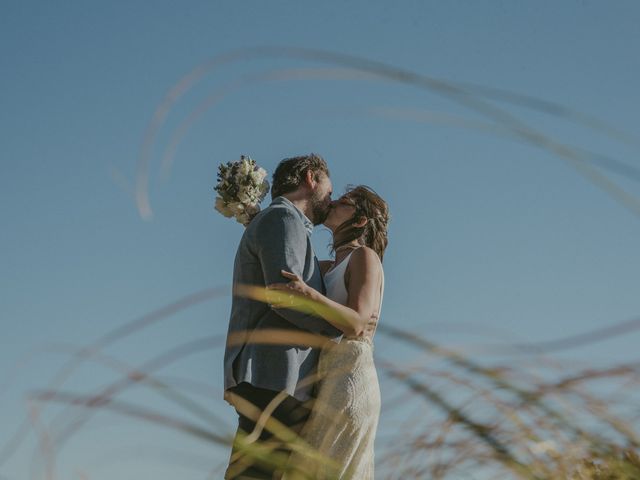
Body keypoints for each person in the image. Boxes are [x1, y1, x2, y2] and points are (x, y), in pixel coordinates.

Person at [223, 153, 343, 479]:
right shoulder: (283, 219)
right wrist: (336, 330)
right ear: (310, 178)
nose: (331, 201)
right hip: (274, 373)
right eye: (329, 192)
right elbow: (284, 295)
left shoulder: (286, 223)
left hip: (278, 374)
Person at [269, 185, 389, 480]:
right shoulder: (326, 266)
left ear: (360, 220)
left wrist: (309, 295)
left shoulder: (364, 257)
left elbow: (357, 323)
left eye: (344, 202)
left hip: (350, 376)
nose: (332, 202)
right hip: (326, 375)